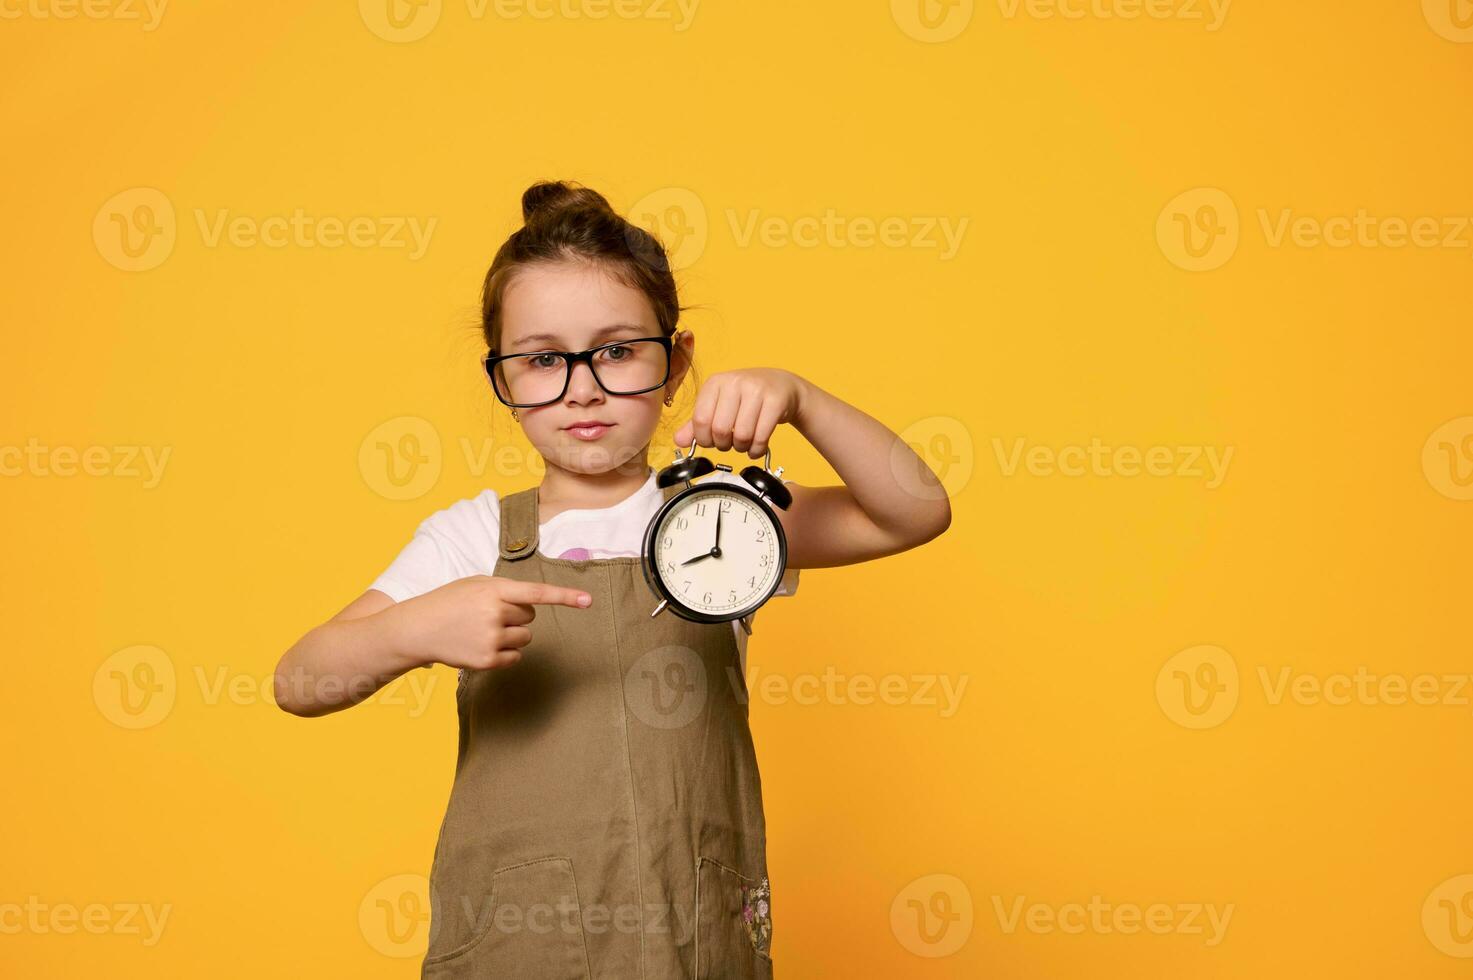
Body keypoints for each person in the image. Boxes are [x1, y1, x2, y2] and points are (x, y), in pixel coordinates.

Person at [273, 179, 952, 978]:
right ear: (502, 379)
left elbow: (912, 512)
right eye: (541, 360)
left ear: (677, 366)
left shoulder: (720, 517)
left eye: (618, 351)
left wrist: (801, 400)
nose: (583, 387)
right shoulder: (469, 539)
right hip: (515, 948)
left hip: (688, 935)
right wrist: (410, 630)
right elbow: (300, 680)